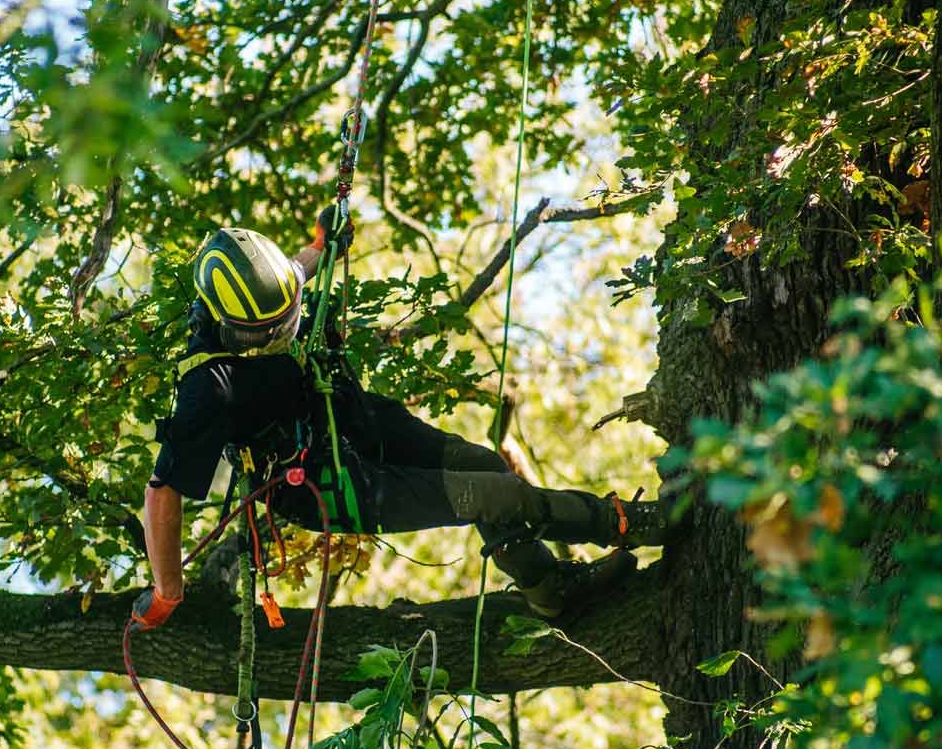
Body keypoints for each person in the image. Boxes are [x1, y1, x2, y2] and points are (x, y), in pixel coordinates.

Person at [132, 211, 668, 628]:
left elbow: (300, 267)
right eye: (268, 333)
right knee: (496, 497)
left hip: (354, 420)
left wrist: (323, 242)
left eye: (287, 322)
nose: (282, 335)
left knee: (482, 463)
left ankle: (549, 591)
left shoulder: (269, 288)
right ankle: (624, 523)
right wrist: (167, 591)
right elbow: (163, 491)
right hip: (331, 484)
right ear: (229, 327)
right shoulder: (207, 387)